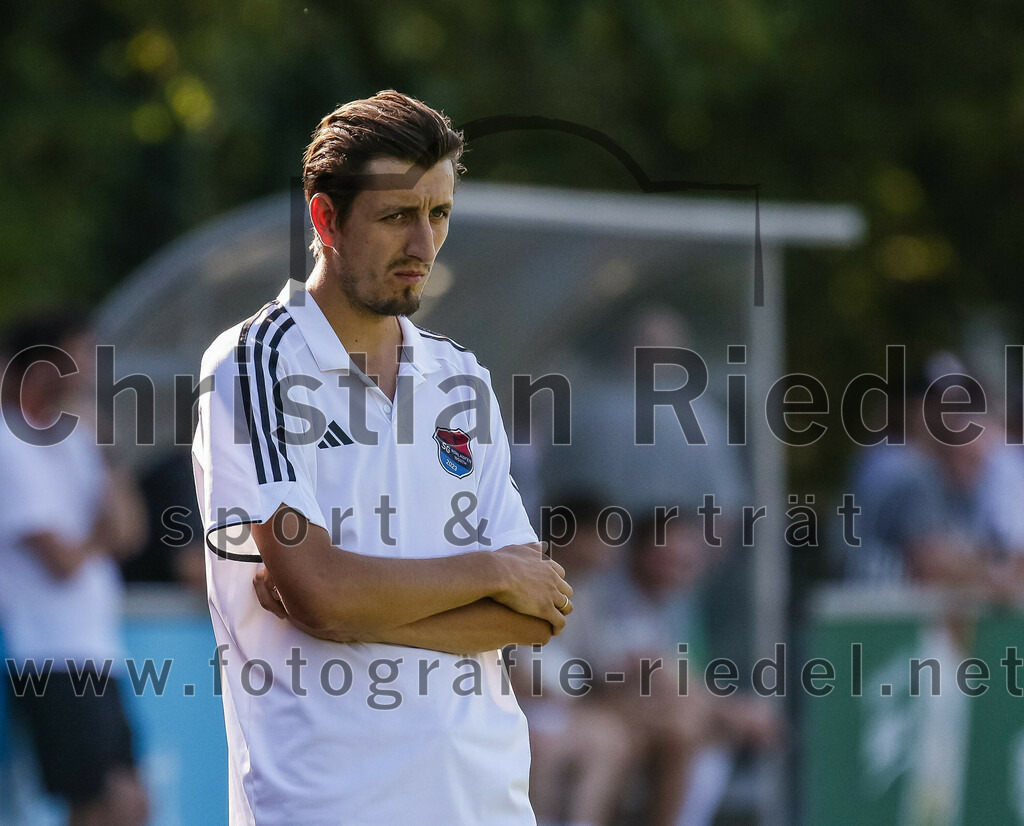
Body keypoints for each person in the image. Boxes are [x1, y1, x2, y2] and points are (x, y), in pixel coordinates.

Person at [191, 91, 574, 825]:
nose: (424, 247)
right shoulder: (256, 362)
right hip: (330, 805)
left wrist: (354, 609)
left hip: (483, 802)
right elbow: (321, 592)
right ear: (325, 219)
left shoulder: (460, 376)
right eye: (398, 216)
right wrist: (488, 575)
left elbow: (537, 615)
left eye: (439, 215)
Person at [0, 311, 149, 826]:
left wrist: (108, 454)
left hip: (93, 647)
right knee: (98, 804)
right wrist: (96, 540)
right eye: (77, 357)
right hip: (45, 652)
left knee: (132, 801)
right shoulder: (8, 441)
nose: (87, 370)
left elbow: (129, 531)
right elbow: (59, 560)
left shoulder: (77, 439)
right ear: (39, 366)